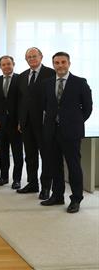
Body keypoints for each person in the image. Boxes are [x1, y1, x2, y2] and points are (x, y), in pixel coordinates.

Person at [40, 52, 92, 213]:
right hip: (51, 131)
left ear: (69, 63)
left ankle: (76, 199)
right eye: (56, 62)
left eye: (63, 62)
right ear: (53, 64)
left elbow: (88, 108)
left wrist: (74, 122)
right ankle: (57, 195)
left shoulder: (80, 82)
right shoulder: (47, 83)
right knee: (55, 165)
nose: (60, 65)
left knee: (73, 165)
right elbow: (45, 106)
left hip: (71, 132)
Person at [17, 47, 56, 199]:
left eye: (34, 56)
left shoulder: (51, 73)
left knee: (46, 156)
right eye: (29, 57)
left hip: (44, 124)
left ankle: (46, 187)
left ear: (41, 57)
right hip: (27, 124)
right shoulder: (22, 76)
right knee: (30, 155)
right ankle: (32, 183)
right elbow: (21, 101)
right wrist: (20, 120)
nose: (32, 59)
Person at [0, 56, 23, 189]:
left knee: (17, 153)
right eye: (3, 64)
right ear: (0, 66)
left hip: (16, 123)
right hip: (0, 123)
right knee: (3, 152)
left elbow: (22, 102)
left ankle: (17, 179)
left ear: (13, 64)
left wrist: (21, 121)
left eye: (8, 64)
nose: (6, 66)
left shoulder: (20, 79)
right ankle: (4, 177)